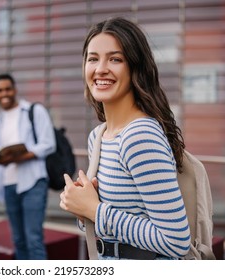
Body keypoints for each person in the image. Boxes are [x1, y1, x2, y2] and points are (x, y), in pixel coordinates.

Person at [59, 17, 191, 260]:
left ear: (135, 67)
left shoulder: (139, 136)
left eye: (115, 59)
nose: (100, 69)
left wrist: (95, 210)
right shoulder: (97, 137)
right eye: (93, 58)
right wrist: (83, 210)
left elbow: (176, 240)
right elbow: (111, 228)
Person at [0, 73, 56, 260]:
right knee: (18, 240)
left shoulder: (34, 111)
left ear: (15, 90)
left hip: (33, 182)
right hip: (9, 185)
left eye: (7, 89)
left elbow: (48, 144)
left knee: (33, 239)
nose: (4, 93)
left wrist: (19, 157)